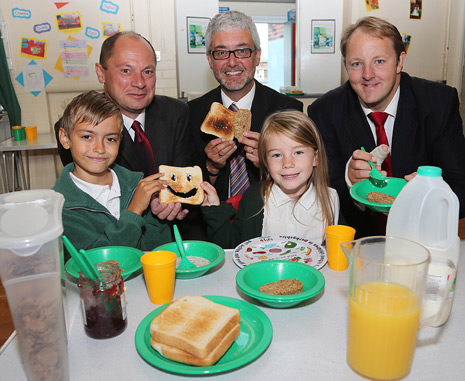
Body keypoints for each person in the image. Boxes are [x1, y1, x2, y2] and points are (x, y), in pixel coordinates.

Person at [308, 16, 465, 237]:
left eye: (379, 61)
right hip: (358, 240)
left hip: (423, 236)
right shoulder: (324, 111)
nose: (368, 74)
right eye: (356, 63)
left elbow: (459, 185)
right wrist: (348, 180)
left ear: (400, 61)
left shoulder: (439, 102)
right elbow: (319, 193)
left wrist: (431, 193)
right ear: (346, 66)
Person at [54, 31, 204, 238]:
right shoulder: (78, 128)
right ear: (101, 73)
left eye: (148, 72)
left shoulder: (176, 113)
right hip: (114, 240)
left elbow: (184, 178)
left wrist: (175, 205)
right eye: (126, 70)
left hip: (173, 236)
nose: (139, 82)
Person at [188, 10, 303, 202]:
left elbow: (304, 186)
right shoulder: (191, 114)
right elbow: (188, 195)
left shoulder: (288, 110)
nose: (232, 62)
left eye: (242, 51)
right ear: (210, 60)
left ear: (257, 56)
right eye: (222, 52)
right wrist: (212, 168)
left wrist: (268, 164)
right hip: (213, 224)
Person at [53, 91, 172, 259]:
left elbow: (162, 248)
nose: (100, 148)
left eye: (110, 139)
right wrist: (135, 210)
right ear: (65, 138)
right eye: (87, 136)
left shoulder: (136, 183)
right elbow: (104, 263)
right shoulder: (61, 207)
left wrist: (160, 214)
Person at [200, 110, 339, 249]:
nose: (287, 163)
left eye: (298, 152)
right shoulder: (254, 197)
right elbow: (233, 249)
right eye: (277, 155)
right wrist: (214, 211)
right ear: (265, 160)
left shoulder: (331, 199)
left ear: (315, 158)